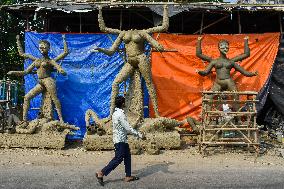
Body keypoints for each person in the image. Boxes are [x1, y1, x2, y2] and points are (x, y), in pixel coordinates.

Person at [92, 5, 169, 120]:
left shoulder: (143, 32)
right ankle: (110, 114)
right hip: (130, 61)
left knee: (149, 83)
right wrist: (99, 10)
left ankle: (157, 114)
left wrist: (165, 9)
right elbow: (105, 34)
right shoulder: (122, 33)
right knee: (115, 83)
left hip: (140, 58)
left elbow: (163, 27)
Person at [7, 35, 68, 123]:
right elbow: (25, 70)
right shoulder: (36, 61)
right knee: (27, 97)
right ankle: (24, 120)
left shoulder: (50, 61)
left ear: (48, 48)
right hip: (40, 83)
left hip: (48, 81)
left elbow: (65, 53)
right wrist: (13, 72)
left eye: (44, 47)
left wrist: (64, 39)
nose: (42, 49)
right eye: (41, 47)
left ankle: (61, 119)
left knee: (55, 99)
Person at [95, 96, 145, 186]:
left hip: (122, 139)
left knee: (127, 157)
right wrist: (140, 135)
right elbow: (128, 128)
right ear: (122, 104)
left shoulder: (115, 113)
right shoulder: (120, 114)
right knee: (118, 159)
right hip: (120, 140)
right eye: (124, 102)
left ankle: (128, 176)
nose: (125, 103)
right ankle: (101, 173)